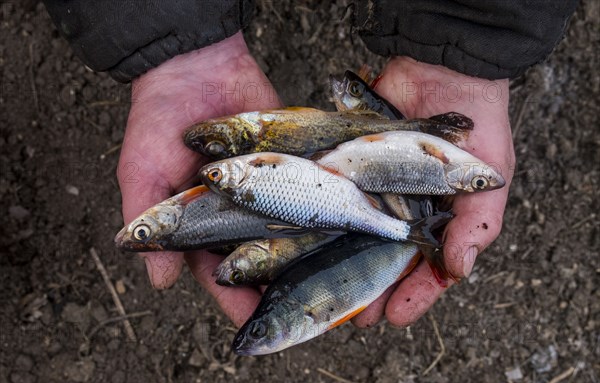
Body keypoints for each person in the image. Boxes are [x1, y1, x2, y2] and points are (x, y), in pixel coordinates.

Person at [44, 1, 579, 328]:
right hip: (330, 188)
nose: (213, 166)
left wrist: (463, 45)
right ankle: (411, 231)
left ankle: (410, 231)